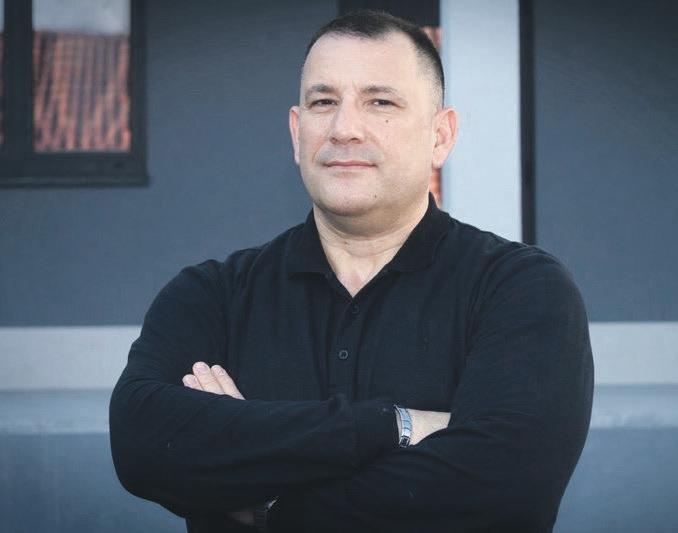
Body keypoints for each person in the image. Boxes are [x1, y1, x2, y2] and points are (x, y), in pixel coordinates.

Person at [109, 10, 593, 533]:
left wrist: (267, 500)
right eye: (323, 102)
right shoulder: (213, 295)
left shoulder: (521, 290)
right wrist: (393, 426)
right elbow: (142, 443)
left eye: (380, 102)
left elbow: (504, 490)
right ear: (297, 132)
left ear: (440, 135)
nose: (344, 129)